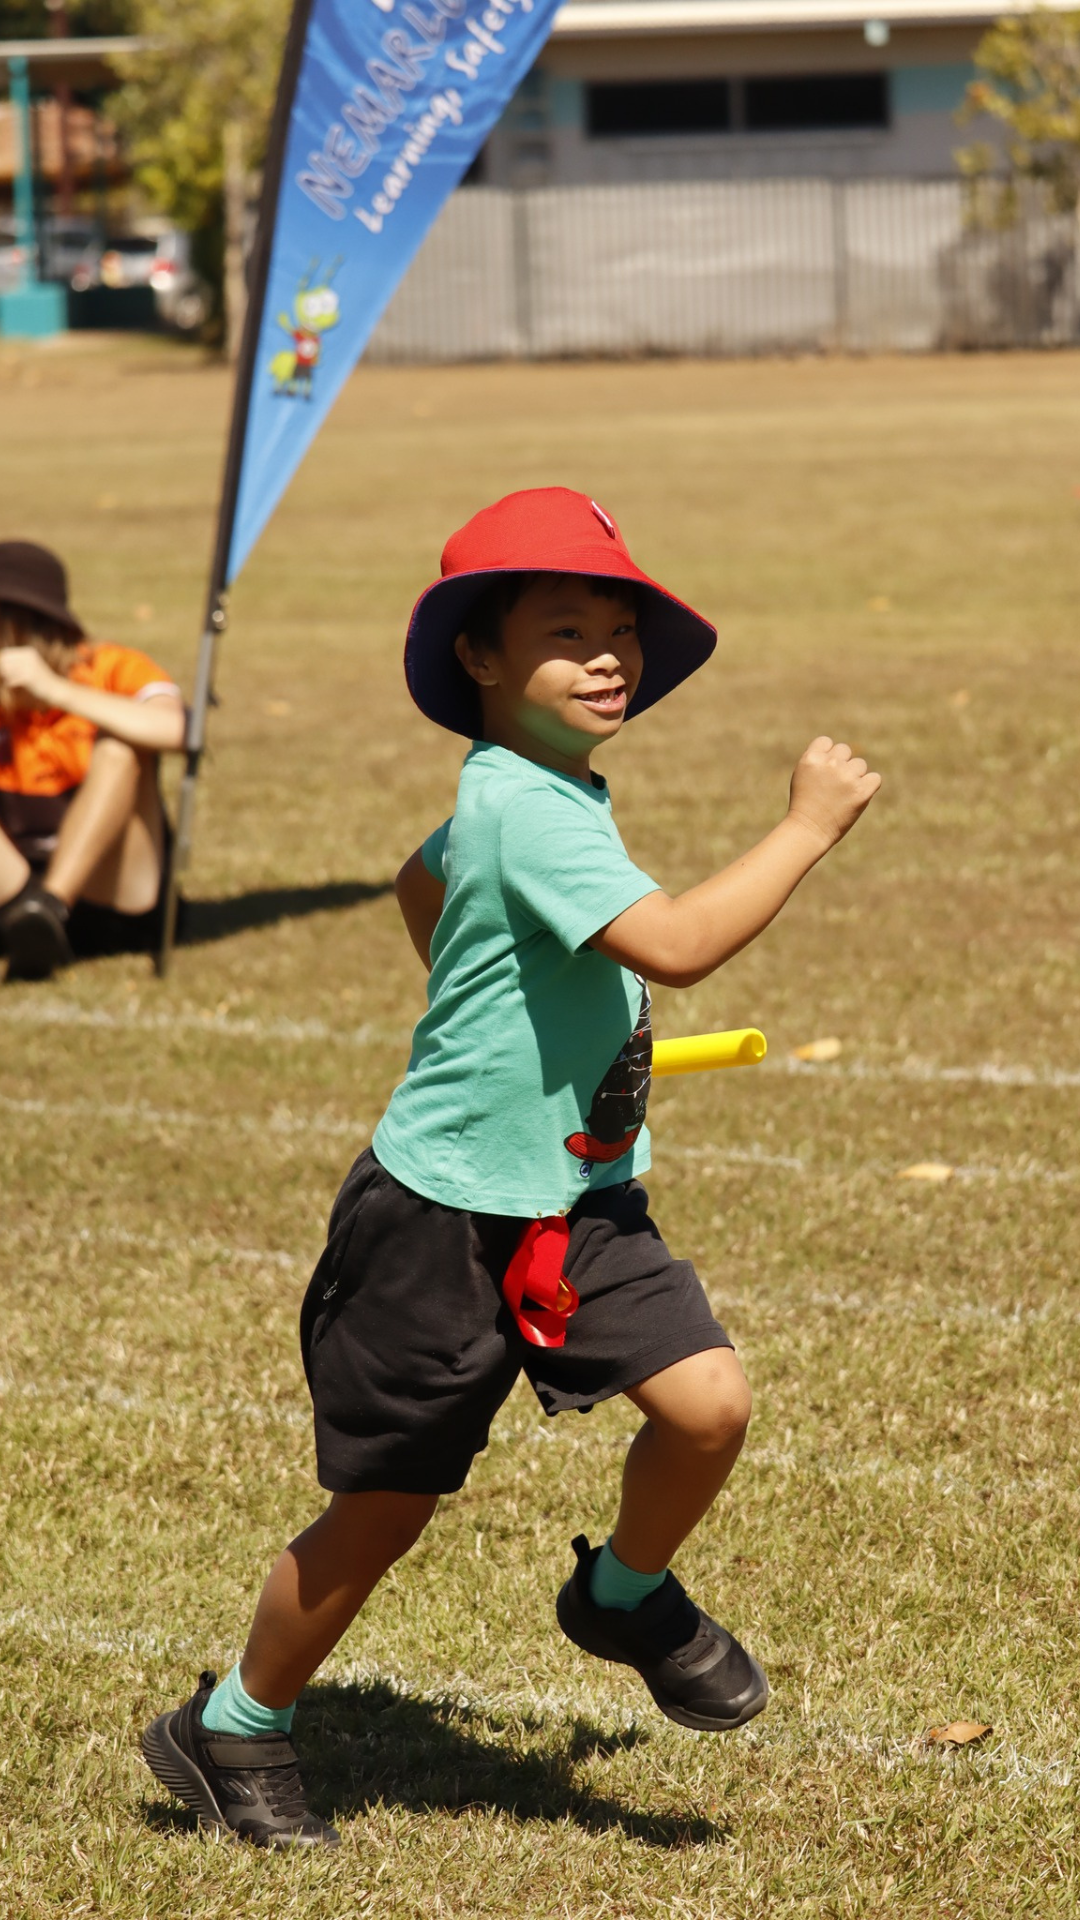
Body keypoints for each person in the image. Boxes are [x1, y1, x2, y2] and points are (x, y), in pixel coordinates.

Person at [142, 488, 880, 1849]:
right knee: (383, 1512)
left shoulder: (531, 796)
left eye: (620, 630)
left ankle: (621, 1597)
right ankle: (233, 1725)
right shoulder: (526, 811)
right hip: (440, 1220)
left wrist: (506, 1017)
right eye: (566, 631)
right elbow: (673, 945)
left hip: (578, 1207)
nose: (609, 655)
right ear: (480, 658)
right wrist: (808, 827)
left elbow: (421, 885)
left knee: (707, 1403)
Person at [0, 541, 186, 982]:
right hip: (12, 889)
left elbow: (180, 732)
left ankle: (50, 906)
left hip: (115, 895)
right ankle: (31, 913)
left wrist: (55, 691)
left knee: (120, 747)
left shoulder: (112, 667)